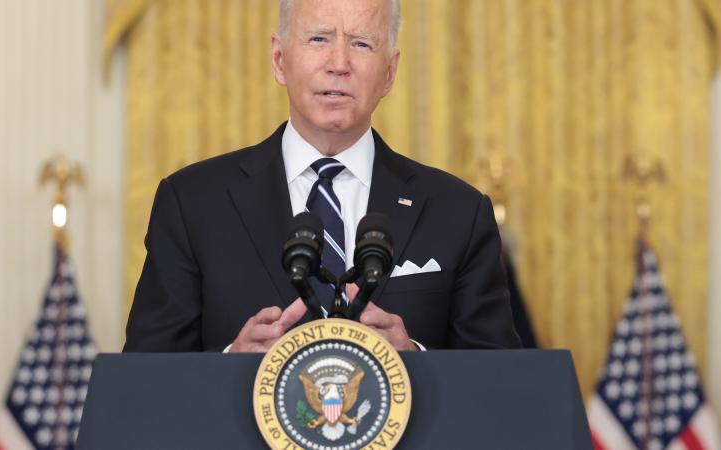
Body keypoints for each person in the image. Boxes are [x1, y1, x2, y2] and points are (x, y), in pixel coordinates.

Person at [123, 0, 521, 353]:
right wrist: (230, 367)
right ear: (279, 60)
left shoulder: (459, 213)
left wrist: (416, 362)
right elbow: (145, 387)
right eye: (318, 39)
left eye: (362, 43)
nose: (339, 64)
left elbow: (500, 391)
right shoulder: (192, 203)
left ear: (389, 73)